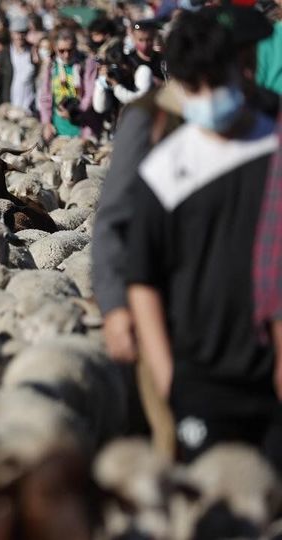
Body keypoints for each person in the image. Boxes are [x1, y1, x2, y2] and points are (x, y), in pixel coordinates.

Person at [126, 8, 282, 464]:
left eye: (217, 81)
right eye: (195, 87)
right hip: (201, 377)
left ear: (239, 67)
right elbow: (143, 279)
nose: (210, 97)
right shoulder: (163, 171)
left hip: (270, 373)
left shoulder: (273, 147)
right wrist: (168, 377)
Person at [39, 30, 85, 140]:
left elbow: (89, 96)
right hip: (58, 128)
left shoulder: (83, 65)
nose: (66, 54)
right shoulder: (51, 67)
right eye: (61, 50)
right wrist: (46, 123)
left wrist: (74, 111)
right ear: (55, 48)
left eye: (70, 50)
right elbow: (45, 97)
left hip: (81, 129)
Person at [7, 17, 36, 113]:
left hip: (29, 106)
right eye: (16, 33)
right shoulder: (5, 53)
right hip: (10, 106)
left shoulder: (33, 51)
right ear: (11, 33)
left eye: (22, 33)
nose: (19, 36)